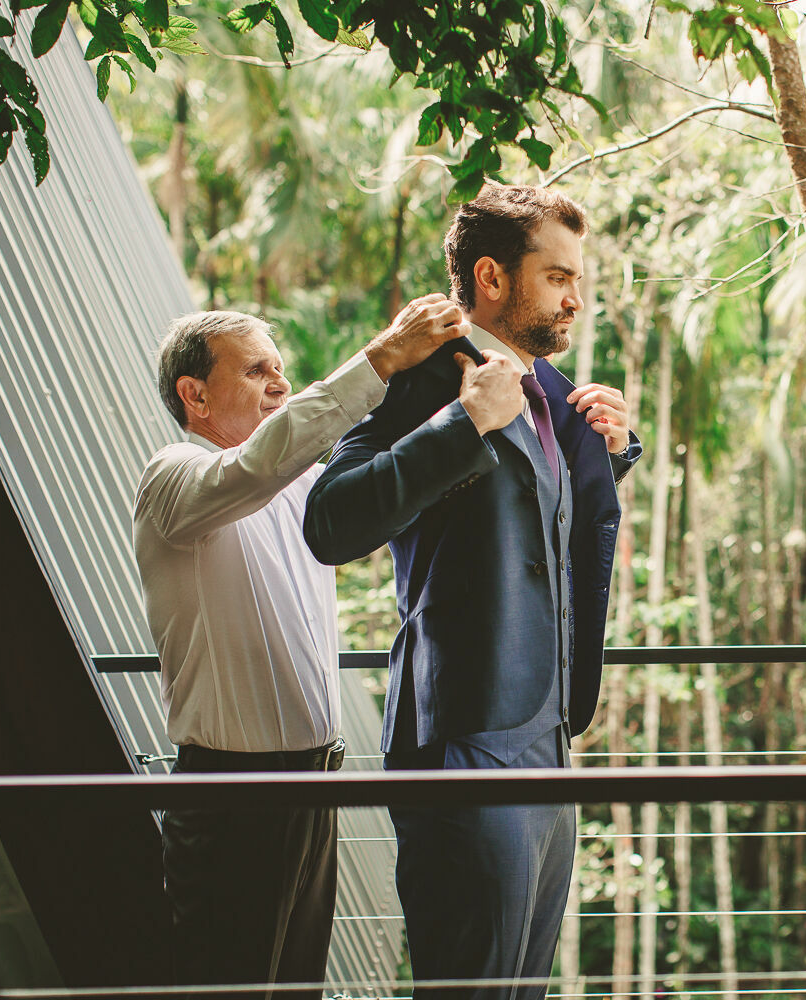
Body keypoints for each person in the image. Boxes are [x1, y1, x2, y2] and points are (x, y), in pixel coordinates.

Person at [302, 184, 640, 999]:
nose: (576, 298)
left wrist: (614, 452)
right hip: (462, 741)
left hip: (552, 739)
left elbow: (554, 526)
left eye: (577, 279)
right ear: (491, 277)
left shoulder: (559, 396)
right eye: (557, 277)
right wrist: (461, 425)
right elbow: (331, 522)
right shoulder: (422, 380)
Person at [132, 298, 519, 999]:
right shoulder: (176, 476)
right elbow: (259, 463)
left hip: (312, 788)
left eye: (280, 368)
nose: (279, 382)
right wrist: (380, 358)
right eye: (256, 371)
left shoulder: (306, 486)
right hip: (230, 802)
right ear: (195, 396)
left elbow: (405, 482)